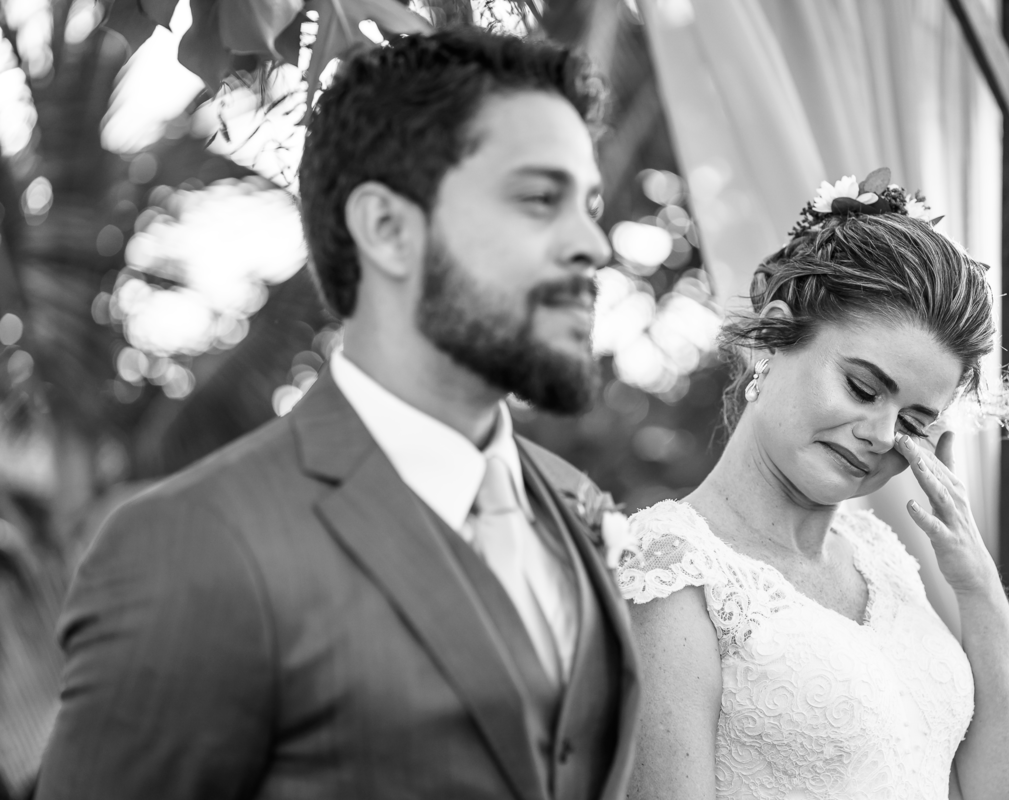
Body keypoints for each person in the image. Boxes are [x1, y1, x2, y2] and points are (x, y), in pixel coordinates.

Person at [35, 28, 639, 800]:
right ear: (387, 228)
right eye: (538, 199)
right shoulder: (197, 546)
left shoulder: (573, 512)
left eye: (588, 207)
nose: (592, 244)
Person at [617, 173, 1009, 800]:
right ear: (772, 338)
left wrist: (979, 584)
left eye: (913, 422)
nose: (882, 435)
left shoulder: (884, 557)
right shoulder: (670, 569)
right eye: (862, 387)